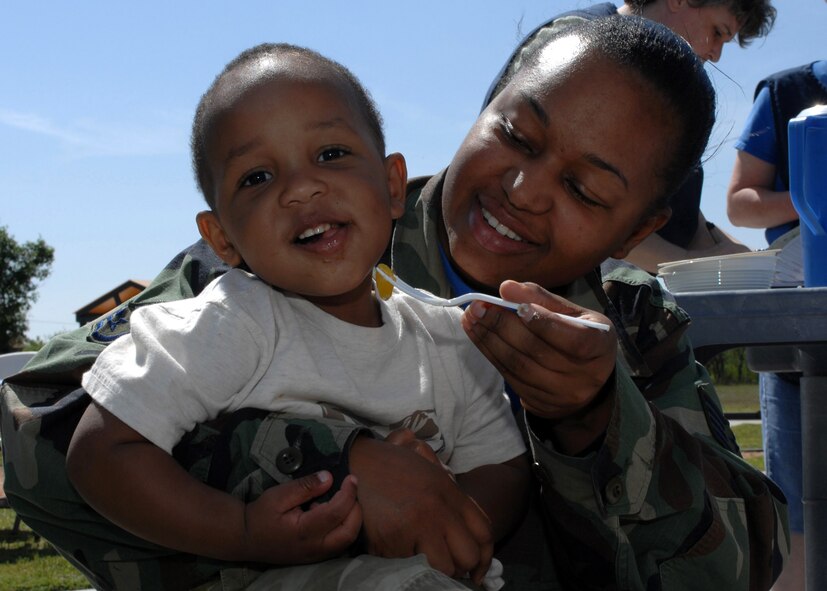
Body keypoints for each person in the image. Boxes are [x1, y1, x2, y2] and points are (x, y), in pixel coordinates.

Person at [1, 16, 788, 591]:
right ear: (483, 105)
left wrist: (595, 422)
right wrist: (334, 467)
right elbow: (34, 429)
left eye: (585, 189)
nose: (522, 192)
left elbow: (743, 566)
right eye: (515, 134)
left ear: (641, 226)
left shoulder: (628, 329)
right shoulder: (300, 236)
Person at [65, 42, 529, 589]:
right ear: (222, 239)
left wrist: (450, 520)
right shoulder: (235, 321)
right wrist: (242, 531)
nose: (301, 187)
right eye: (256, 178)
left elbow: (504, 467)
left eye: (331, 154)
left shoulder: (447, 341)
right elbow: (100, 452)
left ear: (392, 185)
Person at [480, 0, 776, 273]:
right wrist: (692, 267)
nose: (716, 54)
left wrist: (726, 250)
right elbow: (565, 208)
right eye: (717, 32)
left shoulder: (666, 90)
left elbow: (677, 207)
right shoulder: (579, 48)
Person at [726, 59, 827, 591]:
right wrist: (817, 194)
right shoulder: (788, 92)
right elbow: (740, 204)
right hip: (799, 326)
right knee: (795, 504)